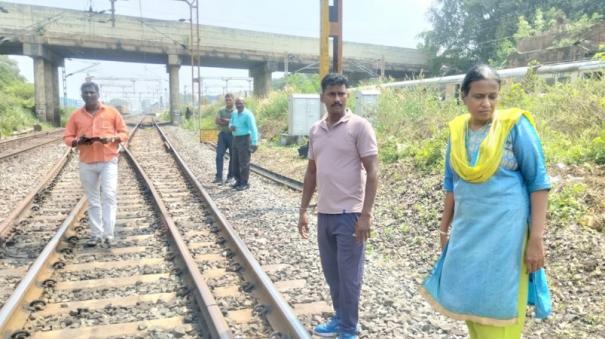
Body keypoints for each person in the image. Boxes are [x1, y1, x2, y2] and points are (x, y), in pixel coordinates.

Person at [421, 64, 551, 339]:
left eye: (493, 96)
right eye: (479, 96)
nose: (486, 103)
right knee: (471, 303)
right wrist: (445, 229)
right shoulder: (458, 133)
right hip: (468, 235)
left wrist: (536, 239)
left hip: (507, 239)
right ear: (464, 97)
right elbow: (451, 186)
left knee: (500, 308)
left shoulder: (514, 127)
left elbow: (538, 183)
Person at [298, 73, 379, 339]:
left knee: (350, 277)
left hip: (350, 215)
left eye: (341, 93)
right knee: (332, 274)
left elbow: (373, 171)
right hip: (325, 214)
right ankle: (340, 317)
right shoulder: (315, 130)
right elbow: (312, 173)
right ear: (323, 97)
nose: (337, 99)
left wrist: (365, 215)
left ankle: (349, 328)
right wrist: (303, 211)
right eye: (332, 94)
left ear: (347, 96)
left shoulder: (359, 126)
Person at [63, 81, 129, 248]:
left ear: (98, 93)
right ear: (81, 95)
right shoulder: (75, 116)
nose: (89, 95)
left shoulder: (112, 112)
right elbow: (67, 138)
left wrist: (112, 138)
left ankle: (108, 234)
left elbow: (124, 133)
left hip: (108, 161)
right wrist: (78, 141)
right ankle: (96, 234)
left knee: (109, 195)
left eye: (92, 92)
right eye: (85, 92)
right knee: (93, 200)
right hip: (87, 162)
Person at [229, 97, 259, 191]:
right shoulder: (234, 113)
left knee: (244, 162)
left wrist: (255, 142)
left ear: (244, 104)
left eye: (240, 103)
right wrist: (230, 127)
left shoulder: (248, 115)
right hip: (235, 139)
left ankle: (244, 183)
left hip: (245, 139)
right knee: (235, 162)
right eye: (237, 103)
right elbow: (230, 122)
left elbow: (253, 129)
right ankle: (238, 181)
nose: (238, 105)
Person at [213, 93, 236, 184]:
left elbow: (236, 123)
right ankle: (219, 177)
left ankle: (230, 177)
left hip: (233, 136)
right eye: (226, 100)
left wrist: (226, 121)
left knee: (233, 157)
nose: (228, 101)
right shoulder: (221, 110)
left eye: (230, 100)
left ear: (233, 100)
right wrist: (230, 122)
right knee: (219, 155)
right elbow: (217, 120)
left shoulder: (236, 111)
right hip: (223, 135)